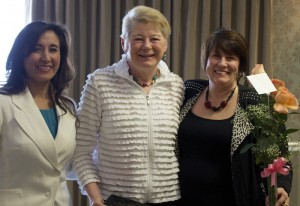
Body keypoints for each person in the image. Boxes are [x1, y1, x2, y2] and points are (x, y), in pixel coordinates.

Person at [73, 5, 184, 206]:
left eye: (155, 38)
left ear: (165, 45)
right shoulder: (100, 83)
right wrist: (95, 197)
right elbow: (81, 150)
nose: (147, 46)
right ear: (124, 43)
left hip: (169, 198)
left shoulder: (176, 86)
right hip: (116, 200)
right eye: (138, 38)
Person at [177, 28, 292, 206]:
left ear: (240, 65)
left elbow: (280, 153)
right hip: (183, 199)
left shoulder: (255, 100)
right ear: (206, 60)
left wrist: (281, 187)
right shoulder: (188, 91)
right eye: (216, 56)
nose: (222, 63)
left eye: (230, 58)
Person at [0, 21, 77, 206]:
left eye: (53, 49)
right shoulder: (3, 104)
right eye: (37, 49)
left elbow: (73, 167)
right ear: (21, 55)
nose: (46, 57)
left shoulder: (69, 108)